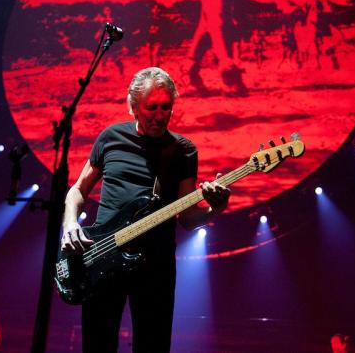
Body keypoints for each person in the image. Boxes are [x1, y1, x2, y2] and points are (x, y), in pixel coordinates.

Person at [61, 67, 231, 353]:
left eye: (166, 107)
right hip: (102, 257)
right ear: (133, 107)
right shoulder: (110, 137)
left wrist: (215, 209)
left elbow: (187, 218)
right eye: (151, 107)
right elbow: (77, 190)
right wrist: (69, 226)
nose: (160, 115)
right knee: (97, 344)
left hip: (156, 265)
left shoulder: (183, 150)